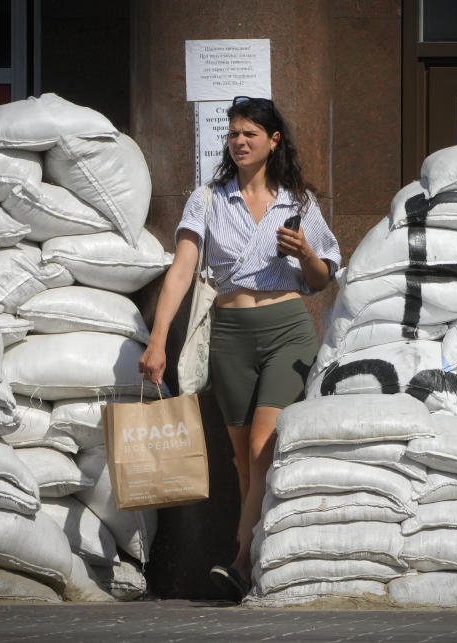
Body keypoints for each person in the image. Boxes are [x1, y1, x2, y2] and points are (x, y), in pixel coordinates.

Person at [138, 96, 341, 602]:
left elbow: (323, 280)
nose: (240, 141)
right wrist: (158, 338)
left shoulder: (299, 201)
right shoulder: (207, 199)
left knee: (262, 447)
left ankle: (241, 558)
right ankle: (266, 560)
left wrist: (307, 253)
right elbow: (182, 271)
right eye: (234, 134)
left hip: (288, 329)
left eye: (251, 133)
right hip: (229, 334)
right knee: (243, 459)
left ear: (274, 141)